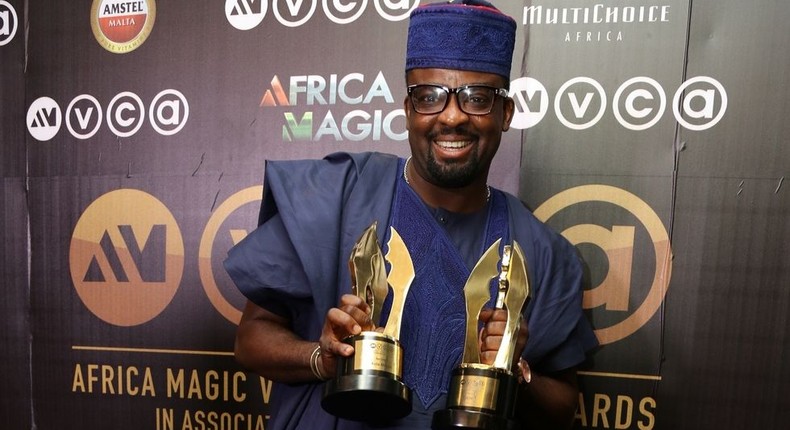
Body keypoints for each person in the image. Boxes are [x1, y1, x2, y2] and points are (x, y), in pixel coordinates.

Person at [224, 1, 598, 429]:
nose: (453, 116)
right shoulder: (338, 193)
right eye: (429, 97)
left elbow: (563, 404)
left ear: (506, 113)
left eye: (477, 98)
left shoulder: (544, 252)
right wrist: (324, 359)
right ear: (407, 110)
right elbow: (250, 339)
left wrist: (516, 372)